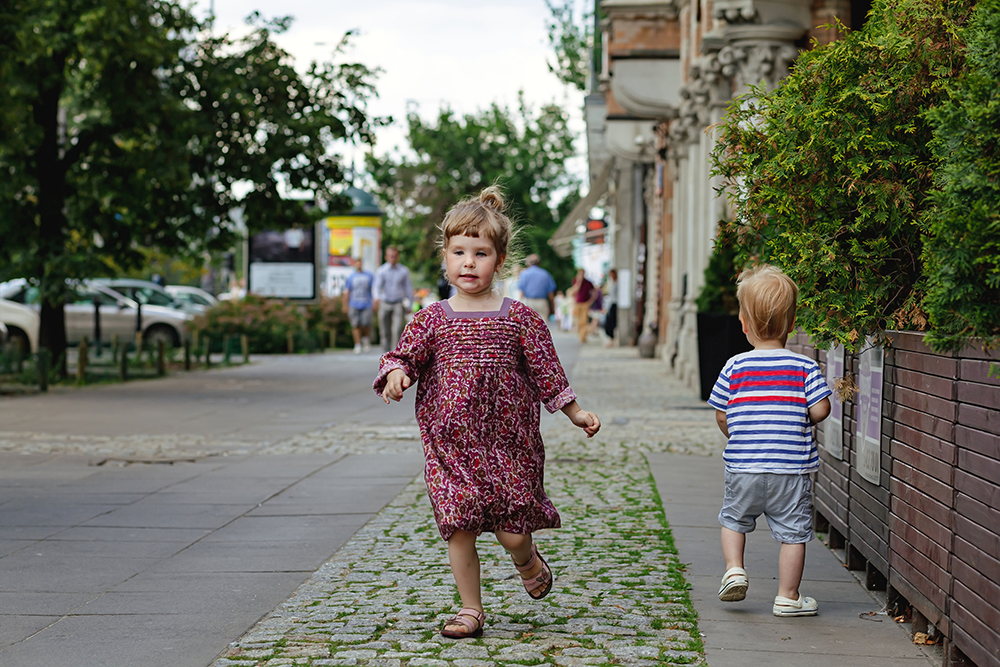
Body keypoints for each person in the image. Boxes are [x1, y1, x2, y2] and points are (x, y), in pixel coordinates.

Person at [373, 186, 601, 640]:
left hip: (508, 443)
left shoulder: (520, 319)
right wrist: (397, 373)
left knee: (511, 529)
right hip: (450, 445)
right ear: (446, 257)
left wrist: (574, 412)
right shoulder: (430, 319)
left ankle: (526, 558)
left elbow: (546, 371)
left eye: (480, 253)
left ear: (499, 261)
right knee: (459, 524)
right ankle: (471, 609)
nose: (469, 262)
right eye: (459, 252)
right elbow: (405, 355)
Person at [707, 264, 832, 617]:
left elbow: (720, 413)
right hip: (790, 472)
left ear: (744, 324)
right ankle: (788, 597)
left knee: (733, 519)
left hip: (743, 466)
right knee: (794, 534)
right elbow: (820, 410)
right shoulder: (805, 368)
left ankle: (734, 569)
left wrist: (739, 435)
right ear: (792, 324)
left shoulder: (734, 367)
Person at [373, 245, 413, 352]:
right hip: (385, 302)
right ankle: (385, 352)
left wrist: (410, 304)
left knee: (397, 330)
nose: (393, 258)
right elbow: (376, 286)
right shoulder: (381, 270)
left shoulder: (403, 271)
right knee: (384, 330)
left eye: (395, 256)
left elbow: (408, 288)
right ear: (386, 257)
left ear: (397, 257)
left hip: (398, 303)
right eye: (391, 256)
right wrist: (376, 297)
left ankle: (395, 354)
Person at [342, 257, 374, 353]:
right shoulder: (351, 277)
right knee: (355, 325)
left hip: (366, 303)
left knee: (366, 324)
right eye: (357, 263)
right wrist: (344, 304)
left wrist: (375, 302)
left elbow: (373, 290)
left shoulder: (369, 275)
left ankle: (366, 340)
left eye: (360, 263)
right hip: (353, 303)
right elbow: (347, 291)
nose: (358, 265)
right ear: (354, 264)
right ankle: (357, 344)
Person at [517, 254, 557, 322]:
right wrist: (552, 305)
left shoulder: (524, 274)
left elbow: (522, 291)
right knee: (543, 323)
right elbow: (550, 292)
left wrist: (520, 304)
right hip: (542, 302)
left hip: (529, 302)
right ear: (539, 263)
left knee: (529, 325)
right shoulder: (545, 274)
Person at [568, 269, 596, 343]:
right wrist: (579, 281)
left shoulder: (588, 283)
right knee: (578, 321)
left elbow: (594, 294)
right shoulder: (575, 281)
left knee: (584, 320)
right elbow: (575, 290)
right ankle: (581, 334)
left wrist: (589, 302)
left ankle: (582, 336)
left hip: (585, 304)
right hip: (577, 304)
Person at [603, 269, 618, 348]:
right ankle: (611, 340)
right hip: (611, 304)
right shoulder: (611, 283)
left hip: (616, 304)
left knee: (611, 323)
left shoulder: (617, 283)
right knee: (608, 323)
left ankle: (612, 340)